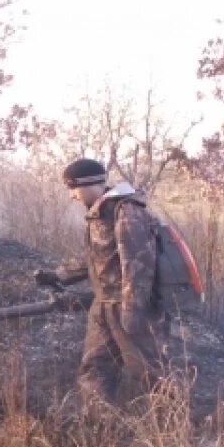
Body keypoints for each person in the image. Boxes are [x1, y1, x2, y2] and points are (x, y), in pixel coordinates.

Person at [38, 158, 173, 406]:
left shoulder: (127, 212)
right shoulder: (101, 213)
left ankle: (176, 429)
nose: (71, 196)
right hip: (104, 306)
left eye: (73, 188)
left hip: (129, 306)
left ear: (89, 184)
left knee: (150, 372)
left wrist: (132, 311)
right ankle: (99, 428)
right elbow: (96, 258)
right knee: (95, 368)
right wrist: (58, 275)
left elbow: (138, 265)